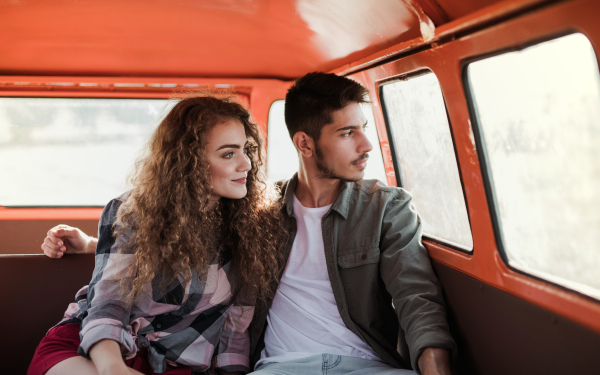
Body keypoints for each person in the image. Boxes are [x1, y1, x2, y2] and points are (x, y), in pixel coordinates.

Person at [43, 72, 456, 375]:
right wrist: (96, 243)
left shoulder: (264, 216)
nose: (246, 163)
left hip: (355, 363)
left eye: (246, 150)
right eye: (348, 132)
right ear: (304, 143)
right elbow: (120, 282)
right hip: (121, 348)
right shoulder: (248, 212)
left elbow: (416, 298)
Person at [31, 96, 284, 375]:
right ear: (189, 162)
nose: (246, 164)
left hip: (175, 364)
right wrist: (112, 368)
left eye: (246, 149)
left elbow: (235, 330)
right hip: (95, 349)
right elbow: (108, 304)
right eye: (228, 154)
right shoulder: (132, 212)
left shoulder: (253, 227)